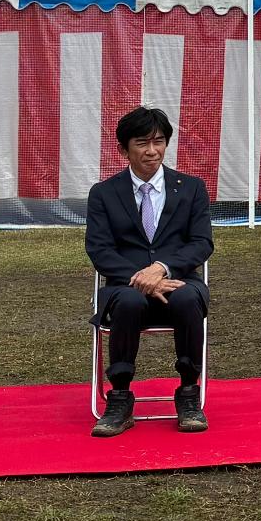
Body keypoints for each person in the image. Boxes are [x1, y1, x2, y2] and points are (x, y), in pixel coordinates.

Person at [85, 106, 215, 435]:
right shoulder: (103, 194)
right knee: (129, 302)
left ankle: (188, 392)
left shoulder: (191, 188)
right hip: (123, 286)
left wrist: (160, 268)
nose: (152, 151)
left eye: (159, 142)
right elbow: (99, 249)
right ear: (123, 149)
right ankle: (120, 398)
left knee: (186, 299)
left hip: (179, 280)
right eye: (142, 143)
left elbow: (201, 243)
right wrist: (140, 278)